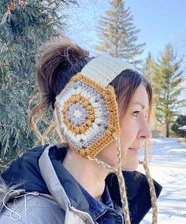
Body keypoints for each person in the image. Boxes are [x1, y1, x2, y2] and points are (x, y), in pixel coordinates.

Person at [0, 39, 162, 224]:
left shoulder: (115, 207)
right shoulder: (29, 218)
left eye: (145, 115)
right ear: (88, 115)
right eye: (135, 113)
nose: (146, 134)